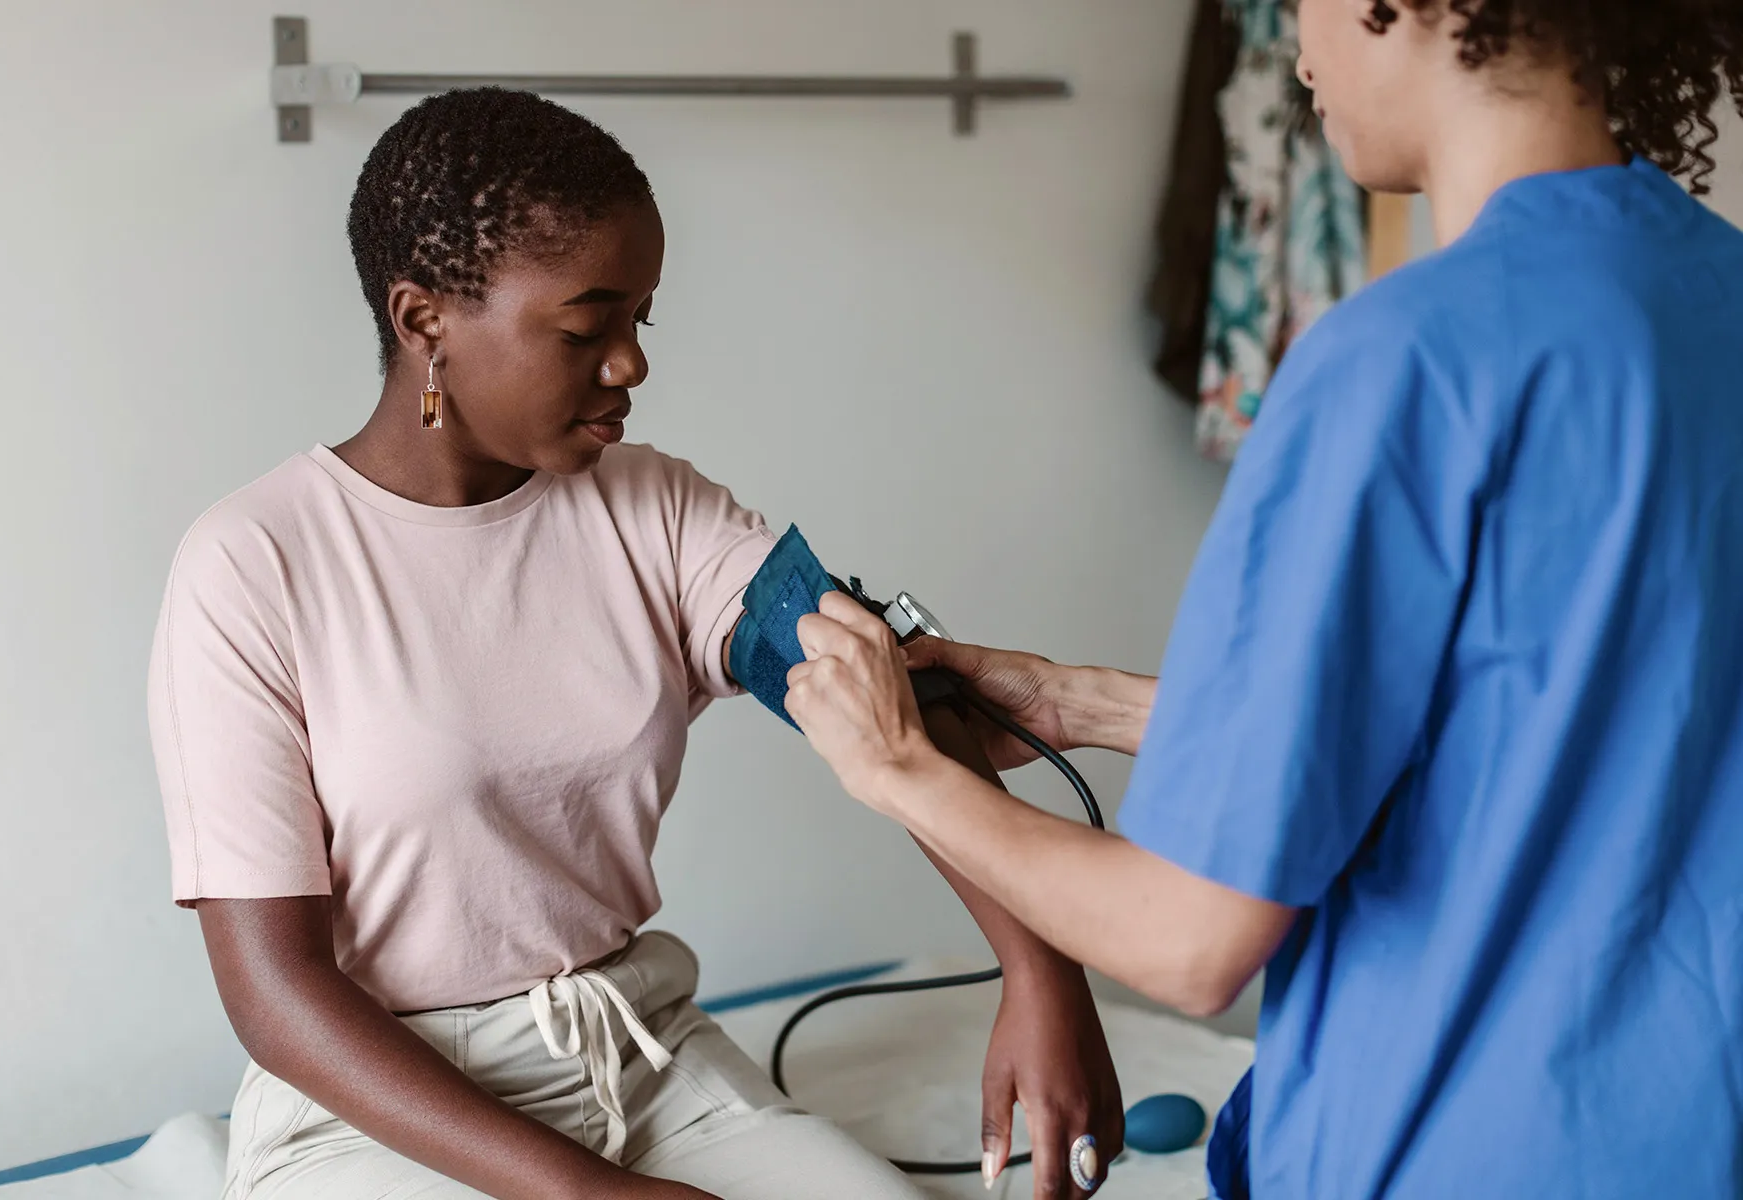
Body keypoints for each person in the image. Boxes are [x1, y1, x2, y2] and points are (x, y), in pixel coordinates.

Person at [784, 1, 1743, 1197]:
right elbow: (1559, 719)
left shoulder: (1401, 363)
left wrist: (895, 768)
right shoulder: (1715, 302)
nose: (1296, 52)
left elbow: (1190, 945)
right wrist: (1086, 703)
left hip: (1461, 1148)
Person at [146, 89, 1123, 1200]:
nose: (630, 366)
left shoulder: (657, 509)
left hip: (636, 1059)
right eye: (584, 328)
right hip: (377, 1114)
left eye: (641, 321)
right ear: (424, 322)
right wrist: (590, 1195)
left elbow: (883, 701)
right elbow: (276, 998)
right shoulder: (252, 564)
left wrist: (1044, 976)